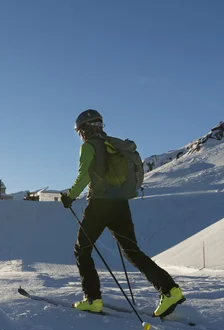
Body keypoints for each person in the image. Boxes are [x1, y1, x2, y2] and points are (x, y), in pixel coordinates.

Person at [60, 109, 184, 318]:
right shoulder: (113, 145)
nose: (80, 135)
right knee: (132, 251)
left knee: (82, 250)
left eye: (80, 131)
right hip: (120, 205)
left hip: (99, 205)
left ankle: (93, 300)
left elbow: (83, 176)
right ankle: (170, 290)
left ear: (84, 129)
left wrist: (70, 197)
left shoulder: (89, 147)